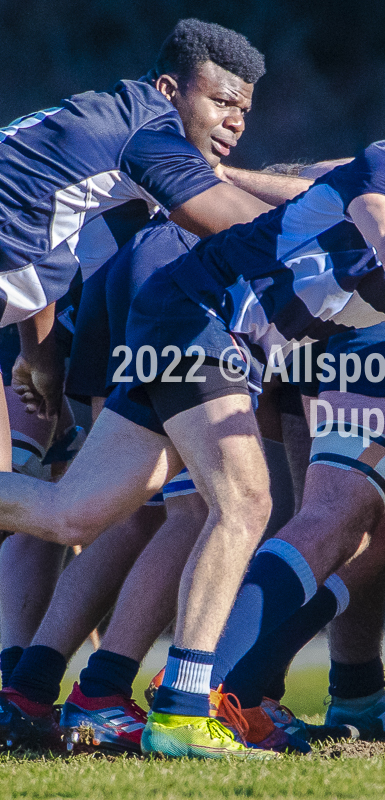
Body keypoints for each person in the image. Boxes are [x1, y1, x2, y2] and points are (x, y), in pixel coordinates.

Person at [0, 92, 385, 759]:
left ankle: (177, 706)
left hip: (224, 342)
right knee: (245, 500)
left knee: (72, 514)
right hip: (198, 312)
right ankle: (181, 710)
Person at [0, 18, 292, 752]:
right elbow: (232, 223)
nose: (234, 121)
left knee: (72, 512)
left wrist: (43, 358)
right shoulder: (148, 133)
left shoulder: (103, 133)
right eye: (223, 100)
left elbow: (40, 245)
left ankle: (28, 686)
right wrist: (366, 229)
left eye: (245, 110)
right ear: (169, 90)